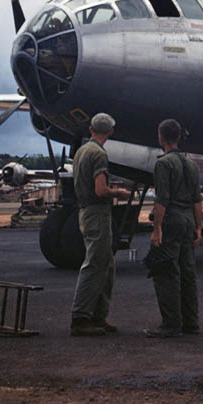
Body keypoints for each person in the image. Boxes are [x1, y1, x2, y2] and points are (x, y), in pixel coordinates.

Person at [70, 112, 130, 336]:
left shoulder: (82, 151)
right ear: (111, 131)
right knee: (95, 264)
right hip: (97, 213)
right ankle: (80, 318)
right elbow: (100, 190)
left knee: (107, 265)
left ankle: (97, 316)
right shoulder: (99, 154)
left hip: (85, 211)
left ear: (91, 129)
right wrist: (119, 193)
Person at [145, 118, 203, 338]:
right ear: (179, 137)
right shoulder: (191, 164)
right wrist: (199, 227)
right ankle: (191, 322)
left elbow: (162, 200)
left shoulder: (163, 164)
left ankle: (171, 323)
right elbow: (197, 200)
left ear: (160, 138)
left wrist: (156, 228)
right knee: (188, 272)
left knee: (166, 271)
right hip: (189, 220)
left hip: (172, 220)